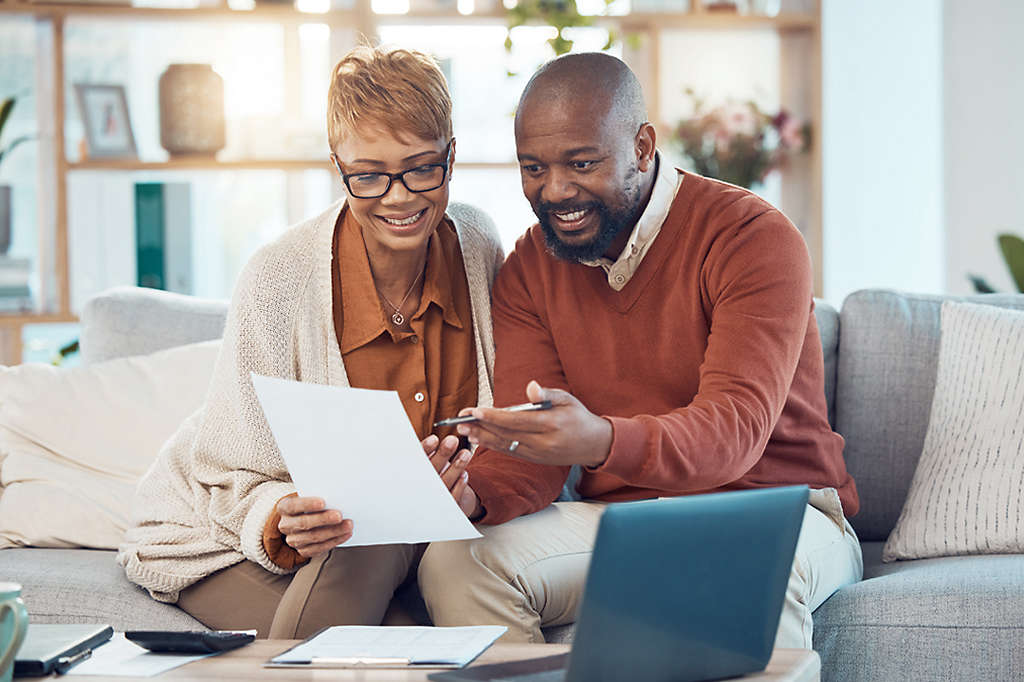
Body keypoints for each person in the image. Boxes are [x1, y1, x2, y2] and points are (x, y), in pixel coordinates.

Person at [416, 52, 862, 649]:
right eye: (533, 167)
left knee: (736, 568)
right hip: (626, 520)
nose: (554, 191)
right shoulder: (529, 268)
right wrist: (473, 496)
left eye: (581, 163)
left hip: (776, 511)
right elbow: (532, 448)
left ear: (643, 147)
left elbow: (733, 431)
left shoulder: (752, 238)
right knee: (454, 560)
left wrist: (599, 439)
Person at [117, 45, 503, 638]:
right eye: (368, 175)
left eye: (422, 168)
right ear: (337, 166)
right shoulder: (279, 278)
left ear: (451, 155)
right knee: (373, 560)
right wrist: (280, 516)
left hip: (406, 544)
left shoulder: (477, 245)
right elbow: (228, 468)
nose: (398, 198)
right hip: (231, 543)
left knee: (391, 561)